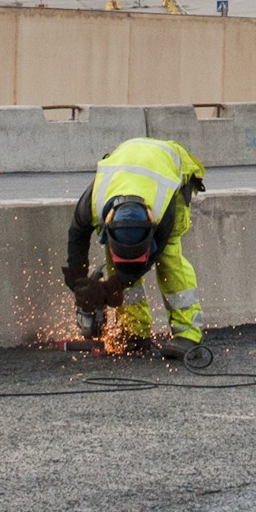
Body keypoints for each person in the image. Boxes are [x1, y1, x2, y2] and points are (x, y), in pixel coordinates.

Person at [65, 134, 210, 363]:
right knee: (115, 262)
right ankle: (134, 332)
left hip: (172, 175)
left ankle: (189, 334)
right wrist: (78, 281)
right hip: (127, 169)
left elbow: (145, 262)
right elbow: (77, 235)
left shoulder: (162, 213)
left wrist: (107, 290)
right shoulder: (94, 201)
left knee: (168, 259)